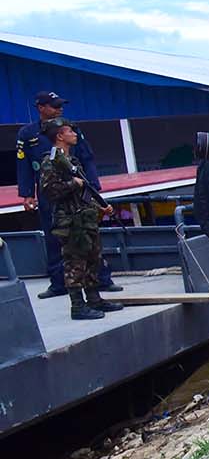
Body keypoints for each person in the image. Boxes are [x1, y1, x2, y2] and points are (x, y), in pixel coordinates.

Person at [14, 90, 119, 299]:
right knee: (55, 237)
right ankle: (58, 283)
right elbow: (24, 164)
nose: (59, 108)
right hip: (50, 191)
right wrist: (26, 194)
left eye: (60, 105)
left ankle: (101, 280)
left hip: (79, 190)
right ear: (41, 108)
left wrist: (94, 188)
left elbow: (86, 157)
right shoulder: (28, 134)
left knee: (90, 236)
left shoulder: (71, 128)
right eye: (54, 105)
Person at [36, 120, 119, 321]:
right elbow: (49, 191)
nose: (74, 134)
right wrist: (73, 183)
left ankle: (94, 299)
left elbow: (84, 192)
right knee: (75, 264)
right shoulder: (51, 162)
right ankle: (78, 306)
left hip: (85, 218)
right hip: (70, 222)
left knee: (92, 260)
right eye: (70, 131)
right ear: (59, 136)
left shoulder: (71, 161)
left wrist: (99, 207)